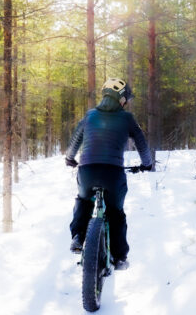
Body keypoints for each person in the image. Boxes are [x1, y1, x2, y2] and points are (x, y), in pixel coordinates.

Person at [65, 78, 152, 270]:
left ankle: (78, 237)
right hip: (113, 174)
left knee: (83, 200)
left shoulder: (89, 116)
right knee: (116, 213)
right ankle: (119, 257)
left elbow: (74, 142)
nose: (125, 102)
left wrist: (70, 159)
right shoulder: (127, 118)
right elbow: (142, 144)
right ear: (120, 98)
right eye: (125, 99)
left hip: (87, 171)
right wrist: (147, 164)